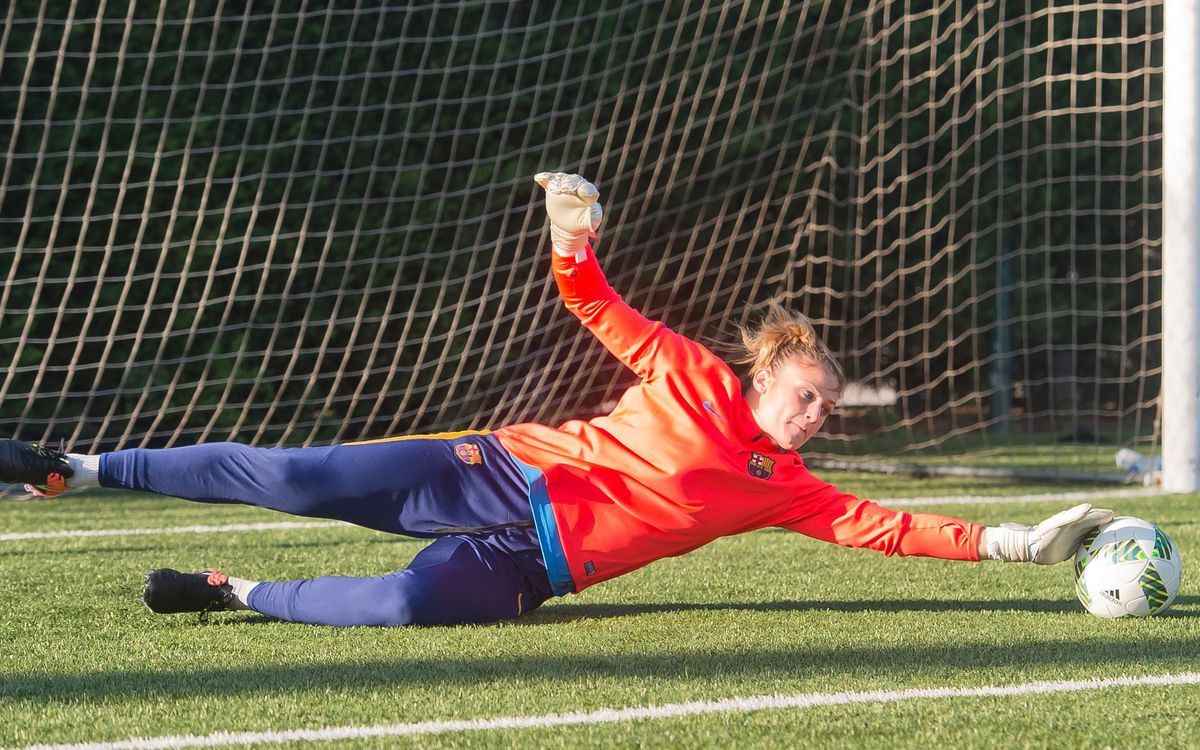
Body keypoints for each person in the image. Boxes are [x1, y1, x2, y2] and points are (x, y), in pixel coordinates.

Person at [0, 173, 1114, 627]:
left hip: (527, 565)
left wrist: (1022, 545)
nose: (814, 415)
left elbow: (897, 529)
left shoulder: (788, 491)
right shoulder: (682, 368)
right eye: (804, 395)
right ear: (763, 375)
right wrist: (571, 230)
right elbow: (589, 298)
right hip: (490, 468)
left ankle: (231, 592)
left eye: (825, 408)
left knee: (401, 610)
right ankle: (77, 467)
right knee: (293, 475)